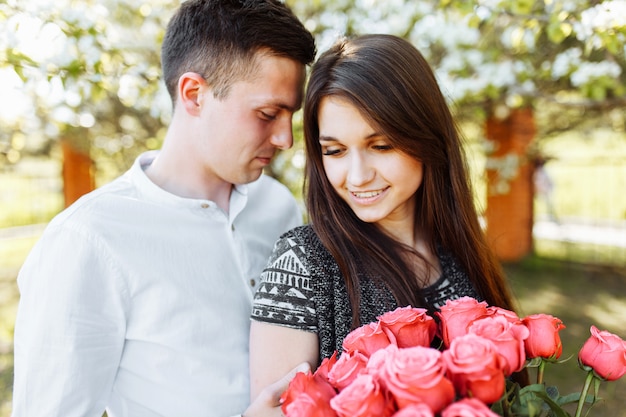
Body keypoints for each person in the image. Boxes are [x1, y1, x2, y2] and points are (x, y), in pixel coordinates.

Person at [11, 1, 315, 416]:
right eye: (267, 114)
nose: (285, 139)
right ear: (194, 94)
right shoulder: (88, 241)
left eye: (290, 116)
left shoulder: (277, 207)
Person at [249, 34, 526, 399]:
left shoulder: (460, 252)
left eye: (380, 146)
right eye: (334, 151)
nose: (358, 175)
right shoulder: (302, 262)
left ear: (426, 136)